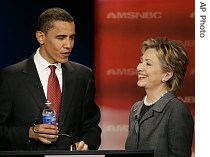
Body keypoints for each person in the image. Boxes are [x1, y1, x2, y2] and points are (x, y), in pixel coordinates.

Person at [0, 7, 101, 151]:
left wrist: (86, 144)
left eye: (71, 37)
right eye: (61, 38)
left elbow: (91, 127)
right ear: (41, 37)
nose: (68, 45)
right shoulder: (10, 77)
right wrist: (28, 133)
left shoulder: (83, 76)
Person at [125, 38, 194, 157]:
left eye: (148, 63)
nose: (139, 68)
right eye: (141, 61)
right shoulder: (136, 108)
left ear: (167, 75)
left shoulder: (176, 110)